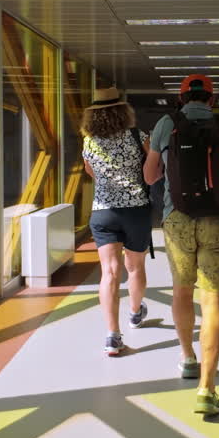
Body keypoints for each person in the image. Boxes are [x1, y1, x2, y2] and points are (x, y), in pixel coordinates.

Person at [144, 75, 219, 416]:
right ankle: (207, 388)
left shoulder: (166, 124)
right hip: (218, 220)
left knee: (181, 290)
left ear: (181, 97)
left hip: (176, 219)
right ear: (211, 97)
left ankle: (187, 357)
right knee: (214, 300)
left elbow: (149, 176)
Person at [81, 85, 152, 356]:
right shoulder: (137, 135)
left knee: (109, 272)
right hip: (136, 209)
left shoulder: (89, 141)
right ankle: (135, 312)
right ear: (123, 111)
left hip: (103, 211)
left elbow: (92, 173)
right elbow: (152, 168)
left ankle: (112, 335)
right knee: (134, 267)